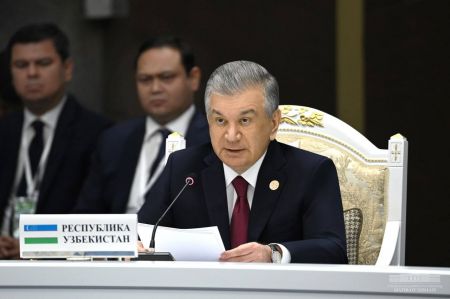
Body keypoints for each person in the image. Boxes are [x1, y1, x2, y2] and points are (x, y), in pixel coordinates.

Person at [138, 61, 348, 264]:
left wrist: (273, 253)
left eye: (244, 121)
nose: (231, 136)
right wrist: (135, 246)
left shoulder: (310, 172)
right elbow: (142, 232)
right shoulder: (184, 169)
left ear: (273, 123)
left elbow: (333, 249)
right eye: (220, 121)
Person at [0, 22, 111, 259]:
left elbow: (93, 218)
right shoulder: (5, 129)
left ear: (68, 68)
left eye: (43, 63)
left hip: (59, 265)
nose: (31, 73)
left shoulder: (98, 133)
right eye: (21, 65)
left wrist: (37, 245)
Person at [75, 36, 209, 214]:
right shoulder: (114, 140)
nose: (155, 88)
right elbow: (87, 214)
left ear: (193, 78)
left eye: (166, 77)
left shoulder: (214, 138)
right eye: (145, 79)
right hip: (117, 240)